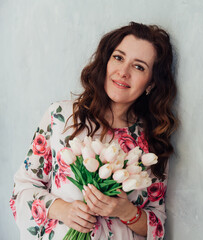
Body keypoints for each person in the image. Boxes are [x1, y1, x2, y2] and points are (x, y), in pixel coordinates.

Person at [10, 21, 178, 240]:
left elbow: (157, 225)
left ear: (151, 84)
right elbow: (21, 191)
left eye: (139, 67)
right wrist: (63, 209)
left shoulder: (151, 142)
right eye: (118, 58)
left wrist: (126, 212)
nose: (123, 72)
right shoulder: (61, 116)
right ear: (106, 61)